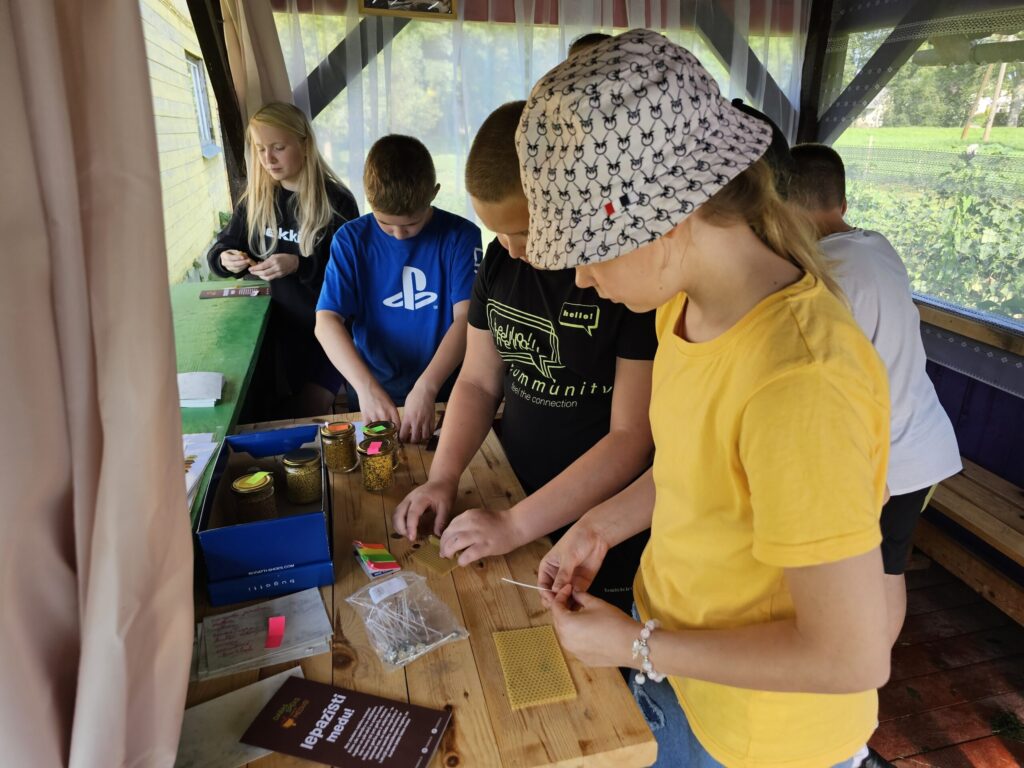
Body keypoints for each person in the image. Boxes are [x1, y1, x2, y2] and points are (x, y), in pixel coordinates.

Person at [525, 30, 892, 767]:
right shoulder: (681, 306)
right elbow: (696, 470)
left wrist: (635, 644)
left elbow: (850, 658)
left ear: (669, 218)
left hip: (764, 739)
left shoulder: (800, 383)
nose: (584, 281)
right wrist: (601, 525)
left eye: (587, 252)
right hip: (684, 675)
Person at [391, 101, 657, 612]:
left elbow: (631, 440)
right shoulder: (501, 261)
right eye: (498, 233)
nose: (511, 248)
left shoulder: (623, 281)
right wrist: (444, 477)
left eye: (525, 232)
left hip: (599, 525)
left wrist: (517, 525)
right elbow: (476, 382)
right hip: (512, 493)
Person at [789, 143, 961, 646]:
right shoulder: (877, 246)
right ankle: (871, 670)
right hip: (922, 440)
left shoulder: (820, 275)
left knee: (858, 575)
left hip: (882, 456)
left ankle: (857, 668)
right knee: (888, 568)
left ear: (784, 207)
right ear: (841, 204)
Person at [315, 135, 481, 443]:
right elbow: (326, 321)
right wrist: (365, 388)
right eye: (385, 224)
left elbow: (466, 319)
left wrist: (427, 386)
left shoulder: (460, 236)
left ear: (434, 194)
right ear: (369, 201)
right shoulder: (350, 240)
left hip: (444, 386)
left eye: (412, 224)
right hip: (372, 387)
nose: (400, 235)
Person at [208, 101, 360, 418]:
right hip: (273, 336)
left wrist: (299, 264)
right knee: (260, 411)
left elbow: (352, 276)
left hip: (327, 335)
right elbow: (223, 245)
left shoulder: (337, 201)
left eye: (278, 147)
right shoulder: (256, 199)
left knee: (309, 412)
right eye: (261, 149)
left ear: (305, 145)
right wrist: (226, 259)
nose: (268, 159)